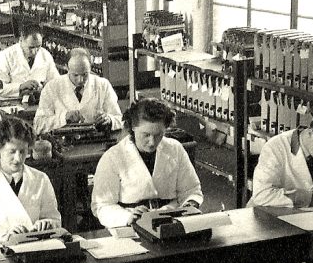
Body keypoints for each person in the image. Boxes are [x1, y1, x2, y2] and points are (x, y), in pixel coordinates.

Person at [91, 98, 203, 228]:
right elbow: (102, 206)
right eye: (146, 135)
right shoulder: (113, 157)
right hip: (130, 224)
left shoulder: (175, 148)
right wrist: (127, 217)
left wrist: (189, 204)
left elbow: (191, 190)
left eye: (158, 135)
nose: (152, 142)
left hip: (171, 220)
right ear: (133, 127)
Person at [0, 116, 61, 248]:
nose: (18, 158)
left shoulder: (41, 179)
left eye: (23, 152)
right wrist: (4, 238)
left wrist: (48, 224)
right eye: (12, 151)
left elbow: (55, 220)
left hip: (37, 250)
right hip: (0, 253)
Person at [34, 47, 122, 134]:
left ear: (90, 68)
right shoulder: (52, 87)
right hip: (63, 140)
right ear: (67, 68)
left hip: (95, 139)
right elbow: (38, 125)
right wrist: (64, 118)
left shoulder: (103, 85)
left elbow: (119, 119)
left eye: (85, 74)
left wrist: (109, 119)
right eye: (75, 75)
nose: (80, 80)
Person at [0, 22, 59, 100]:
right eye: (31, 47)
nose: (35, 52)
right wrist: (20, 87)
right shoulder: (6, 56)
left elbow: (57, 83)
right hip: (12, 102)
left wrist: (47, 87)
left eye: (38, 46)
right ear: (21, 40)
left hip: (38, 102)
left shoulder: (46, 55)